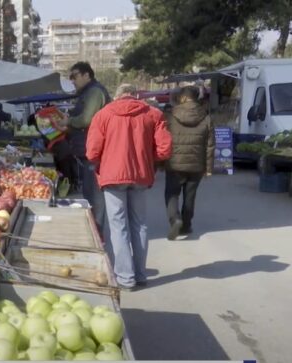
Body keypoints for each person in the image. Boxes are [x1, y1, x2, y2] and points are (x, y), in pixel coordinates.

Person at [86, 84, 172, 290]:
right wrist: (148, 158)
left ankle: (125, 277)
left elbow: (92, 152)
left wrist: (102, 162)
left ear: (117, 96)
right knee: (140, 224)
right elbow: (165, 149)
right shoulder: (153, 114)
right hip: (141, 176)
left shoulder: (103, 114)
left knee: (118, 226)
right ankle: (140, 274)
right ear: (135, 95)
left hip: (112, 176)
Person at [62, 61, 111, 237]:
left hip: (94, 152)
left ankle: (98, 236)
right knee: (90, 196)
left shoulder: (94, 92)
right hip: (87, 150)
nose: (72, 81)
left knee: (95, 198)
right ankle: (95, 233)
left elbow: (86, 120)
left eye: (74, 76)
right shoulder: (86, 93)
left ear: (86, 75)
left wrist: (69, 121)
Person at [164, 86, 215, 240]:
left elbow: (163, 139)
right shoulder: (206, 118)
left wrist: (160, 161)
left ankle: (175, 219)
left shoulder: (170, 116)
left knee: (172, 193)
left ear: (184, 98)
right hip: (197, 165)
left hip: (174, 163)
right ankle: (186, 225)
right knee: (190, 195)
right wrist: (209, 168)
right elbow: (210, 145)